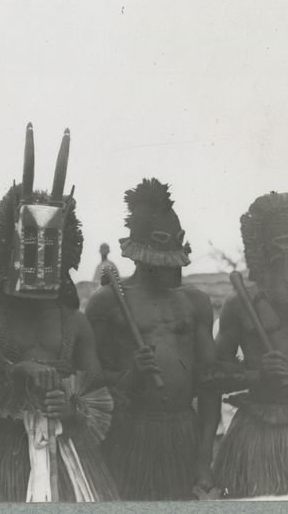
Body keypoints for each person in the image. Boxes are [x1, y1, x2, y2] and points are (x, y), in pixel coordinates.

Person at [0, 125, 118, 502]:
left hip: (69, 454)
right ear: (11, 245)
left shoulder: (73, 321)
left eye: (50, 245)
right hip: (2, 454)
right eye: (29, 244)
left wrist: (71, 407)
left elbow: (97, 391)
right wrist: (13, 370)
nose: (39, 257)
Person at [85, 178, 221, 500]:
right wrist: (129, 376)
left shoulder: (195, 302)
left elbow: (210, 385)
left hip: (182, 432)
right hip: (129, 434)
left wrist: (203, 461)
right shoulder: (106, 302)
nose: (175, 268)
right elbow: (88, 382)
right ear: (142, 255)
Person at [209, 192, 288, 497]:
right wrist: (257, 375)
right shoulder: (240, 303)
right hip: (259, 431)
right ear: (264, 247)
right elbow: (211, 375)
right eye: (284, 239)